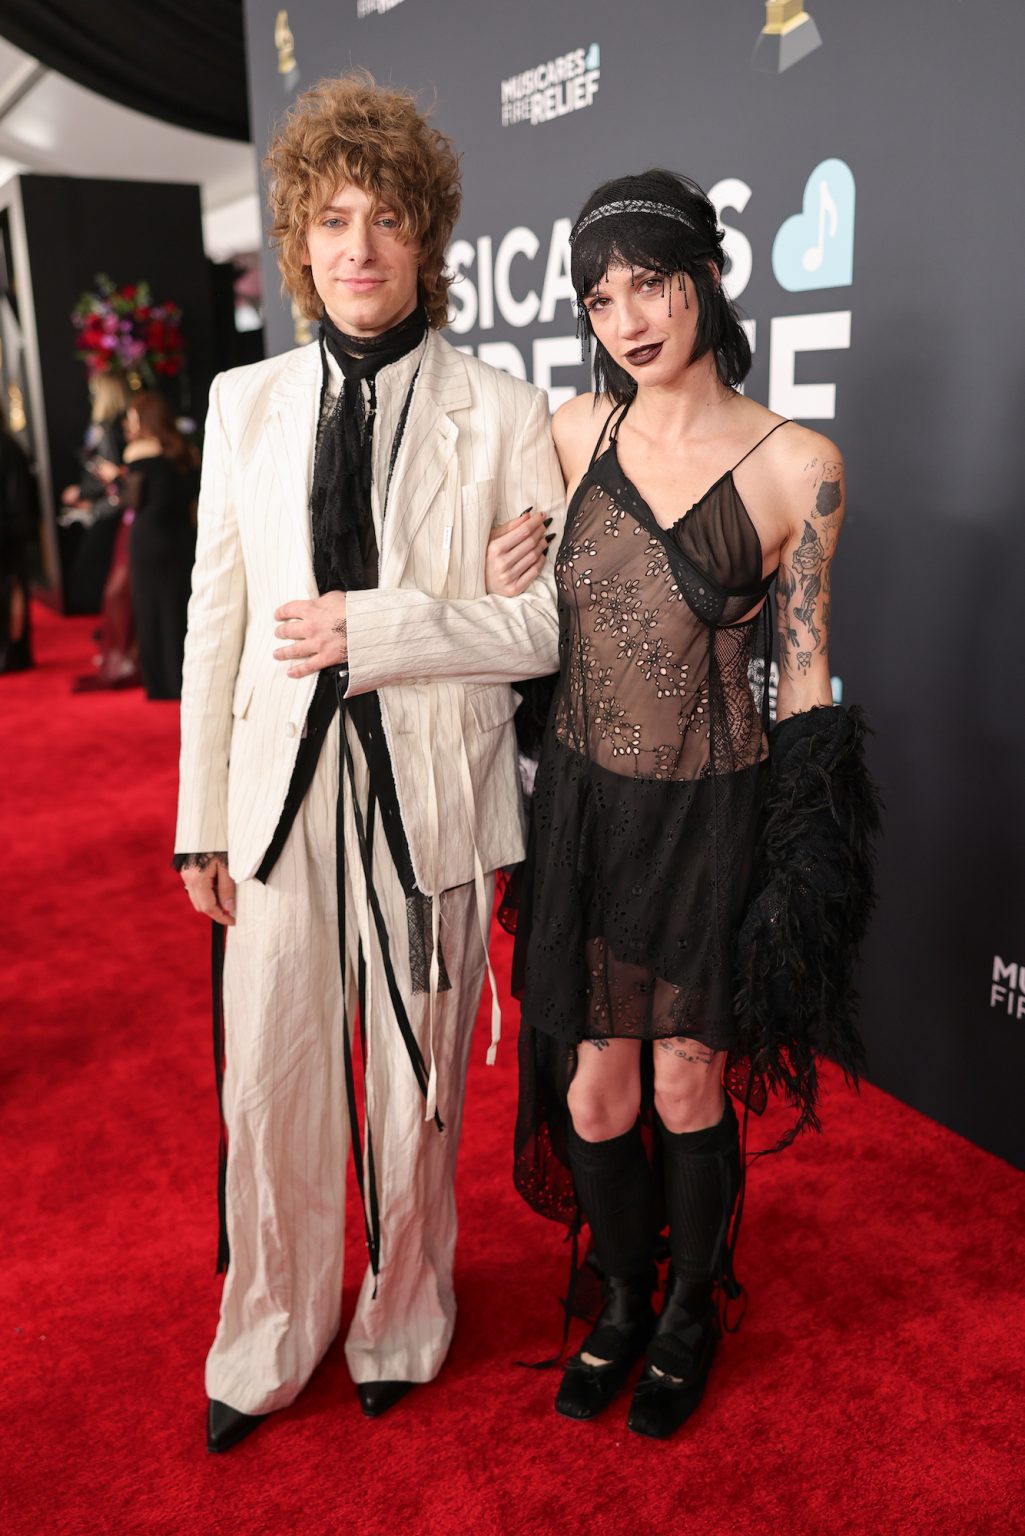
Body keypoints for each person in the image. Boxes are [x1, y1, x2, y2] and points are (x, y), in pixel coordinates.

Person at [173, 71, 563, 1454]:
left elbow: (537, 628)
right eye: (332, 219)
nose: (357, 246)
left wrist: (380, 627)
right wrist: (197, 821)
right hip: (274, 796)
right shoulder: (244, 404)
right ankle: (271, 1330)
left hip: (434, 794)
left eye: (386, 219)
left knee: (421, 1083)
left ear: (427, 241)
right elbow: (215, 617)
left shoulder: (508, 408)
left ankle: (405, 1314)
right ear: (298, 241)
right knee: (268, 1076)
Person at [486, 169, 877, 1440]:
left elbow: (806, 678)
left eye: (648, 282)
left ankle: (693, 1305)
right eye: (598, 298)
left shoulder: (798, 465)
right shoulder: (565, 436)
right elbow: (531, 628)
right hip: (588, 818)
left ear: (705, 274)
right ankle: (619, 1294)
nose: (627, 320)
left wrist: (799, 865)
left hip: (712, 814)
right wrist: (505, 577)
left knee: (686, 1090)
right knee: (594, 1097)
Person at [120, 391, 198, 700]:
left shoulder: (138, 450)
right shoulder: (188, 451)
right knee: (179, 607)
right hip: (181, 537)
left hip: (149, 539)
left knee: (150, 608)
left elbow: (133, 501)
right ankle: (184, 677)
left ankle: (160, 684)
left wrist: (117, 482)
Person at [0, 400, 35, 674]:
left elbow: (19, 496)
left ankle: (12, 653)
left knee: (11, 593)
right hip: (11, 533)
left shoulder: (9, 449)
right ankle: (12, 653)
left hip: (9, 534)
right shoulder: (11, 447)